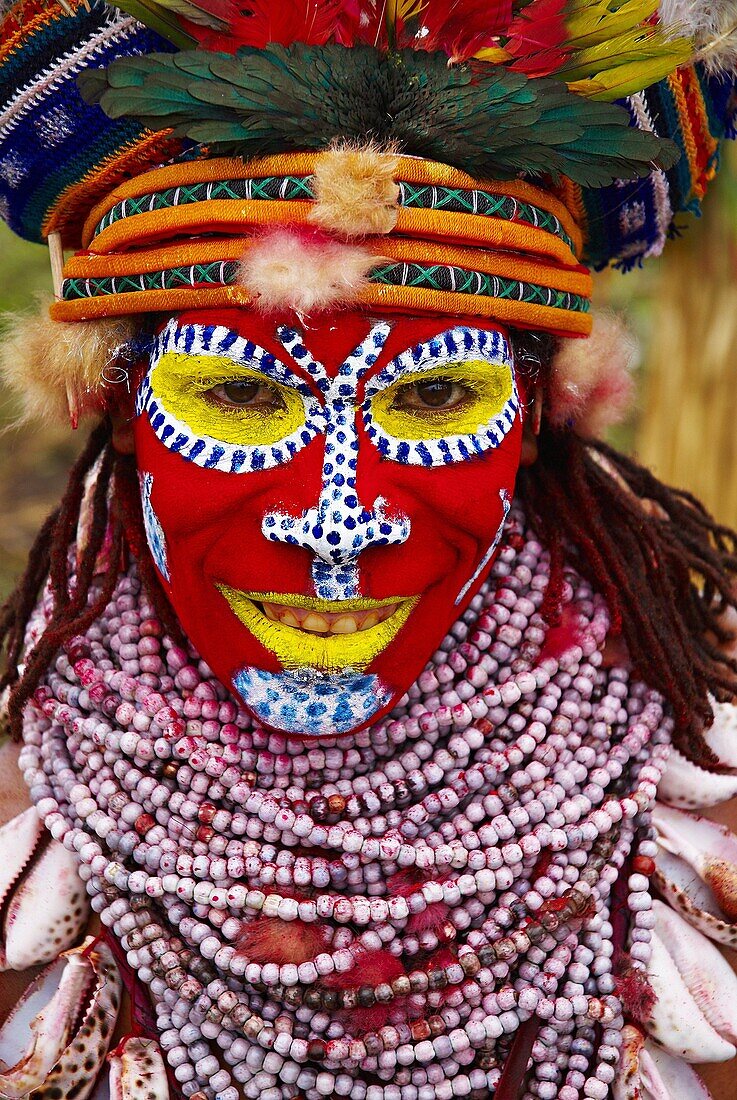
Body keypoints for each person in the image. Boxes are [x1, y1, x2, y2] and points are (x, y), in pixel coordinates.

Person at [1, 2, 737, 1097]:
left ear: (539, 418)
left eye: (438, 394)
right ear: (117, 412)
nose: (337, 523)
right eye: (240, 394)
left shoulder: (698, 796)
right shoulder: (25, 806)